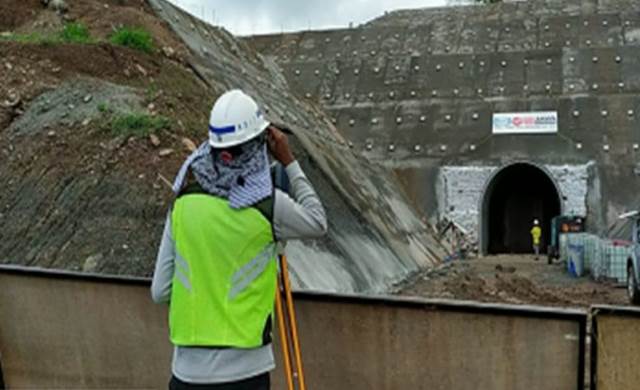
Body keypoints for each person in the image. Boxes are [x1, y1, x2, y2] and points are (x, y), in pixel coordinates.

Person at [151, 89, 327, 390]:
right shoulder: (268, 206)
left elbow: (160, 290)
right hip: (245, 375)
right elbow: (317, 221)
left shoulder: (182, 204)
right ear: (260, 146)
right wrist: (289, 162)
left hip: (185, 375)